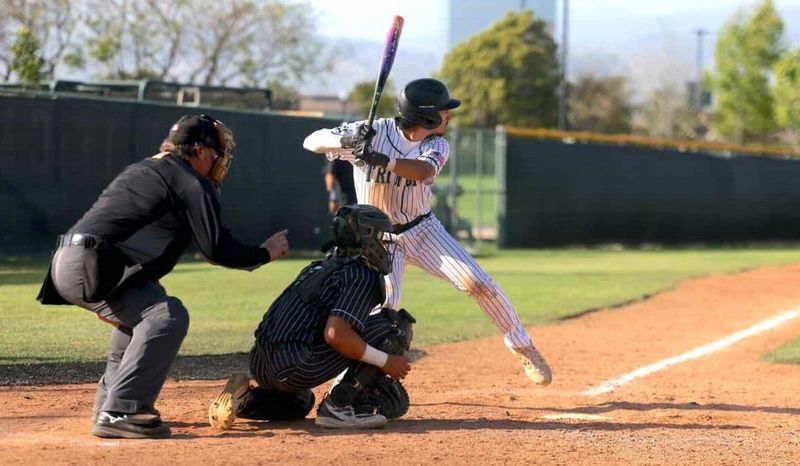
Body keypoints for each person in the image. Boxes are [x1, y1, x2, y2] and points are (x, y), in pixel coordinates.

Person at [36, 114, 290, 439]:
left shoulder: (149, 168)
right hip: (93, 263)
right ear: (199, 151)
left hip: (71, 259)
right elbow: (216, 249)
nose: (219, 159)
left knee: (146, 309)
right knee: (166, 316)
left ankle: (110, 405)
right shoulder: (191, 181)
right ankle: (122, 410)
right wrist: (265, 253)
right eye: (215, 151)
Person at [302, 78, 552, 386]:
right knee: (382, 309)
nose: (450, 115)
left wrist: (382, 159)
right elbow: (311, 141)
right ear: (428, 117)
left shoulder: (436, 143)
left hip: (423, 231)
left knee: (478, 283)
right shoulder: (375, 131)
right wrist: (350, 139)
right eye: (445, 111)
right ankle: (345, 380)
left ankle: (522, 346)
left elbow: (424, 171)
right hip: (379, 242)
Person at [208, 204, 415, 430]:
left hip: (261, 362)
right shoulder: (360, 274)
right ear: (366, 237)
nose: (384, 243)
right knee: (394, 326)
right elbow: (336, 335)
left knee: (300, 402)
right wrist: (386, 361)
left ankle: (245, 399)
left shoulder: (319, 266)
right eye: (380, 236)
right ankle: (340, 407)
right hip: (295, 365)